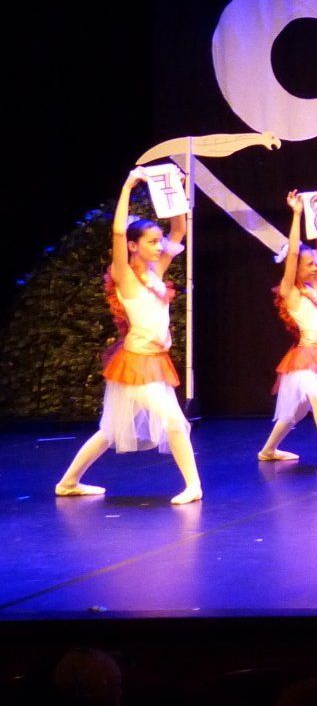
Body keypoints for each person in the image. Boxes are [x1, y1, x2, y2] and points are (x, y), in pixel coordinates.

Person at [56, 170, 202, 503]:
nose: (159, 245)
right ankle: (194, 485)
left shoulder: (156, 273)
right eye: (151, 241)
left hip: (151, 361)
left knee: (109, 431)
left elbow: (179, 230)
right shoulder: (124, 277)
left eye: (157, 241)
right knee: (173, 420)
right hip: (137, 364)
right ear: (133, 247)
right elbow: (118, 231)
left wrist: (178, 195)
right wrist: (126, 188)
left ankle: (68, 483)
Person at [258, 191, 317, 473]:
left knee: (295, 411)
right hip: (303, 358)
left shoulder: (311, 289)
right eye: (308, 265)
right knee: (316, 396)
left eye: (314, 266)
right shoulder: (291, 292)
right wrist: (297, 213)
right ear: (294, 267)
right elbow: (295, 252)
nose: (314, 268)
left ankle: (268, 450)